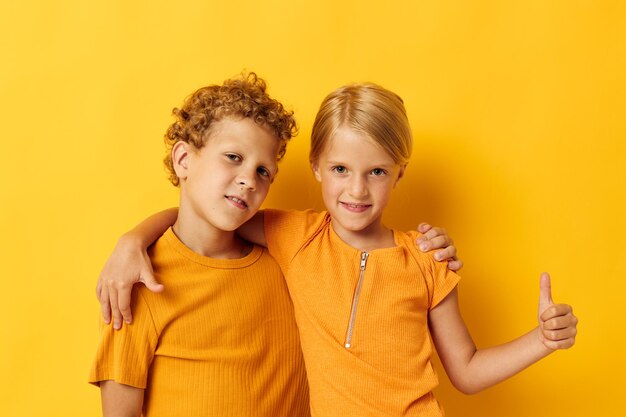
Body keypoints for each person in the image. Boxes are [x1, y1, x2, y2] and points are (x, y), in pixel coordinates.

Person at [99, 82, 574, 417]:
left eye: (378, 172)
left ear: (399, 174)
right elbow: (206, 214)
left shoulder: (427, 259)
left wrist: (543, 340)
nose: (359, 190)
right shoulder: (296, 236)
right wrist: (132, 241)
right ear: (318, 169)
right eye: (342, 169)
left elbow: (466, 371)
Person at [89, 73, 313, 417]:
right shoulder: (140, 281)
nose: (248, 180)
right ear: (184, 160)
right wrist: (132, 241)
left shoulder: (287, 262)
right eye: (233, 157)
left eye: (264, 171)